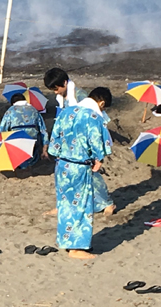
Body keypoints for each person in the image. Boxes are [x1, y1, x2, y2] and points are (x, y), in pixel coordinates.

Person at [48, 87, 113, 259]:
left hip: (62, 165)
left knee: (65, 205)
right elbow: (100, 145)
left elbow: (54, 141)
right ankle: (76, 248)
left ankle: (66, 240)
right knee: (81, 206)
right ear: (102, 103)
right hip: (80, 166)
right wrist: (99, 159)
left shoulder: (66, 112)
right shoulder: (93, 117)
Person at [44, 68, 115, 216]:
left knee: (92, 175)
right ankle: (62, 205)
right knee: (62, 176)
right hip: (67, 143)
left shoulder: (81, 96)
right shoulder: (63, 98)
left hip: (83, 144)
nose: (55, 92)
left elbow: (100, 120)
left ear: (64, 83)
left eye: (56, 88)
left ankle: (107, 203)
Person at [0, 93, 49, 168]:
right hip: (32, 140)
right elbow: (43, 130)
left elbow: (2, 129)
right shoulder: (34, 110)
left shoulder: (10, 111)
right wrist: (45, 148)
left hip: (16, 139)